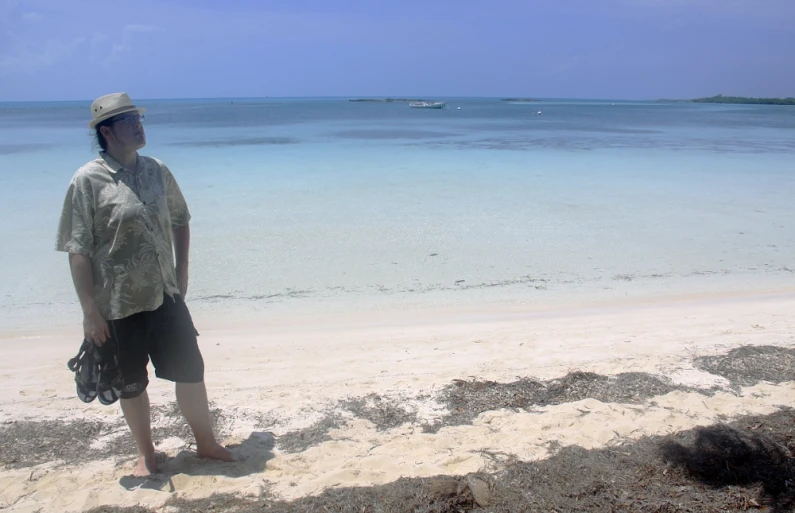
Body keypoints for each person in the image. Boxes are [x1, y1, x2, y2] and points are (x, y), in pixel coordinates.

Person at [56, 92, 236, 476]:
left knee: (191, 370)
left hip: (165, 295)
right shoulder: (87, 180)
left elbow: (180, 218)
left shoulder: (157, 169)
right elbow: (77, 249)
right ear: (107, 132)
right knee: (131, 384)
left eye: (139, 119)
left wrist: (182, 268)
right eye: (129, 122)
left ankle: (205, 443)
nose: (139, 126)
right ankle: (145, 453)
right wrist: (90, 311)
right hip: (118, 303)